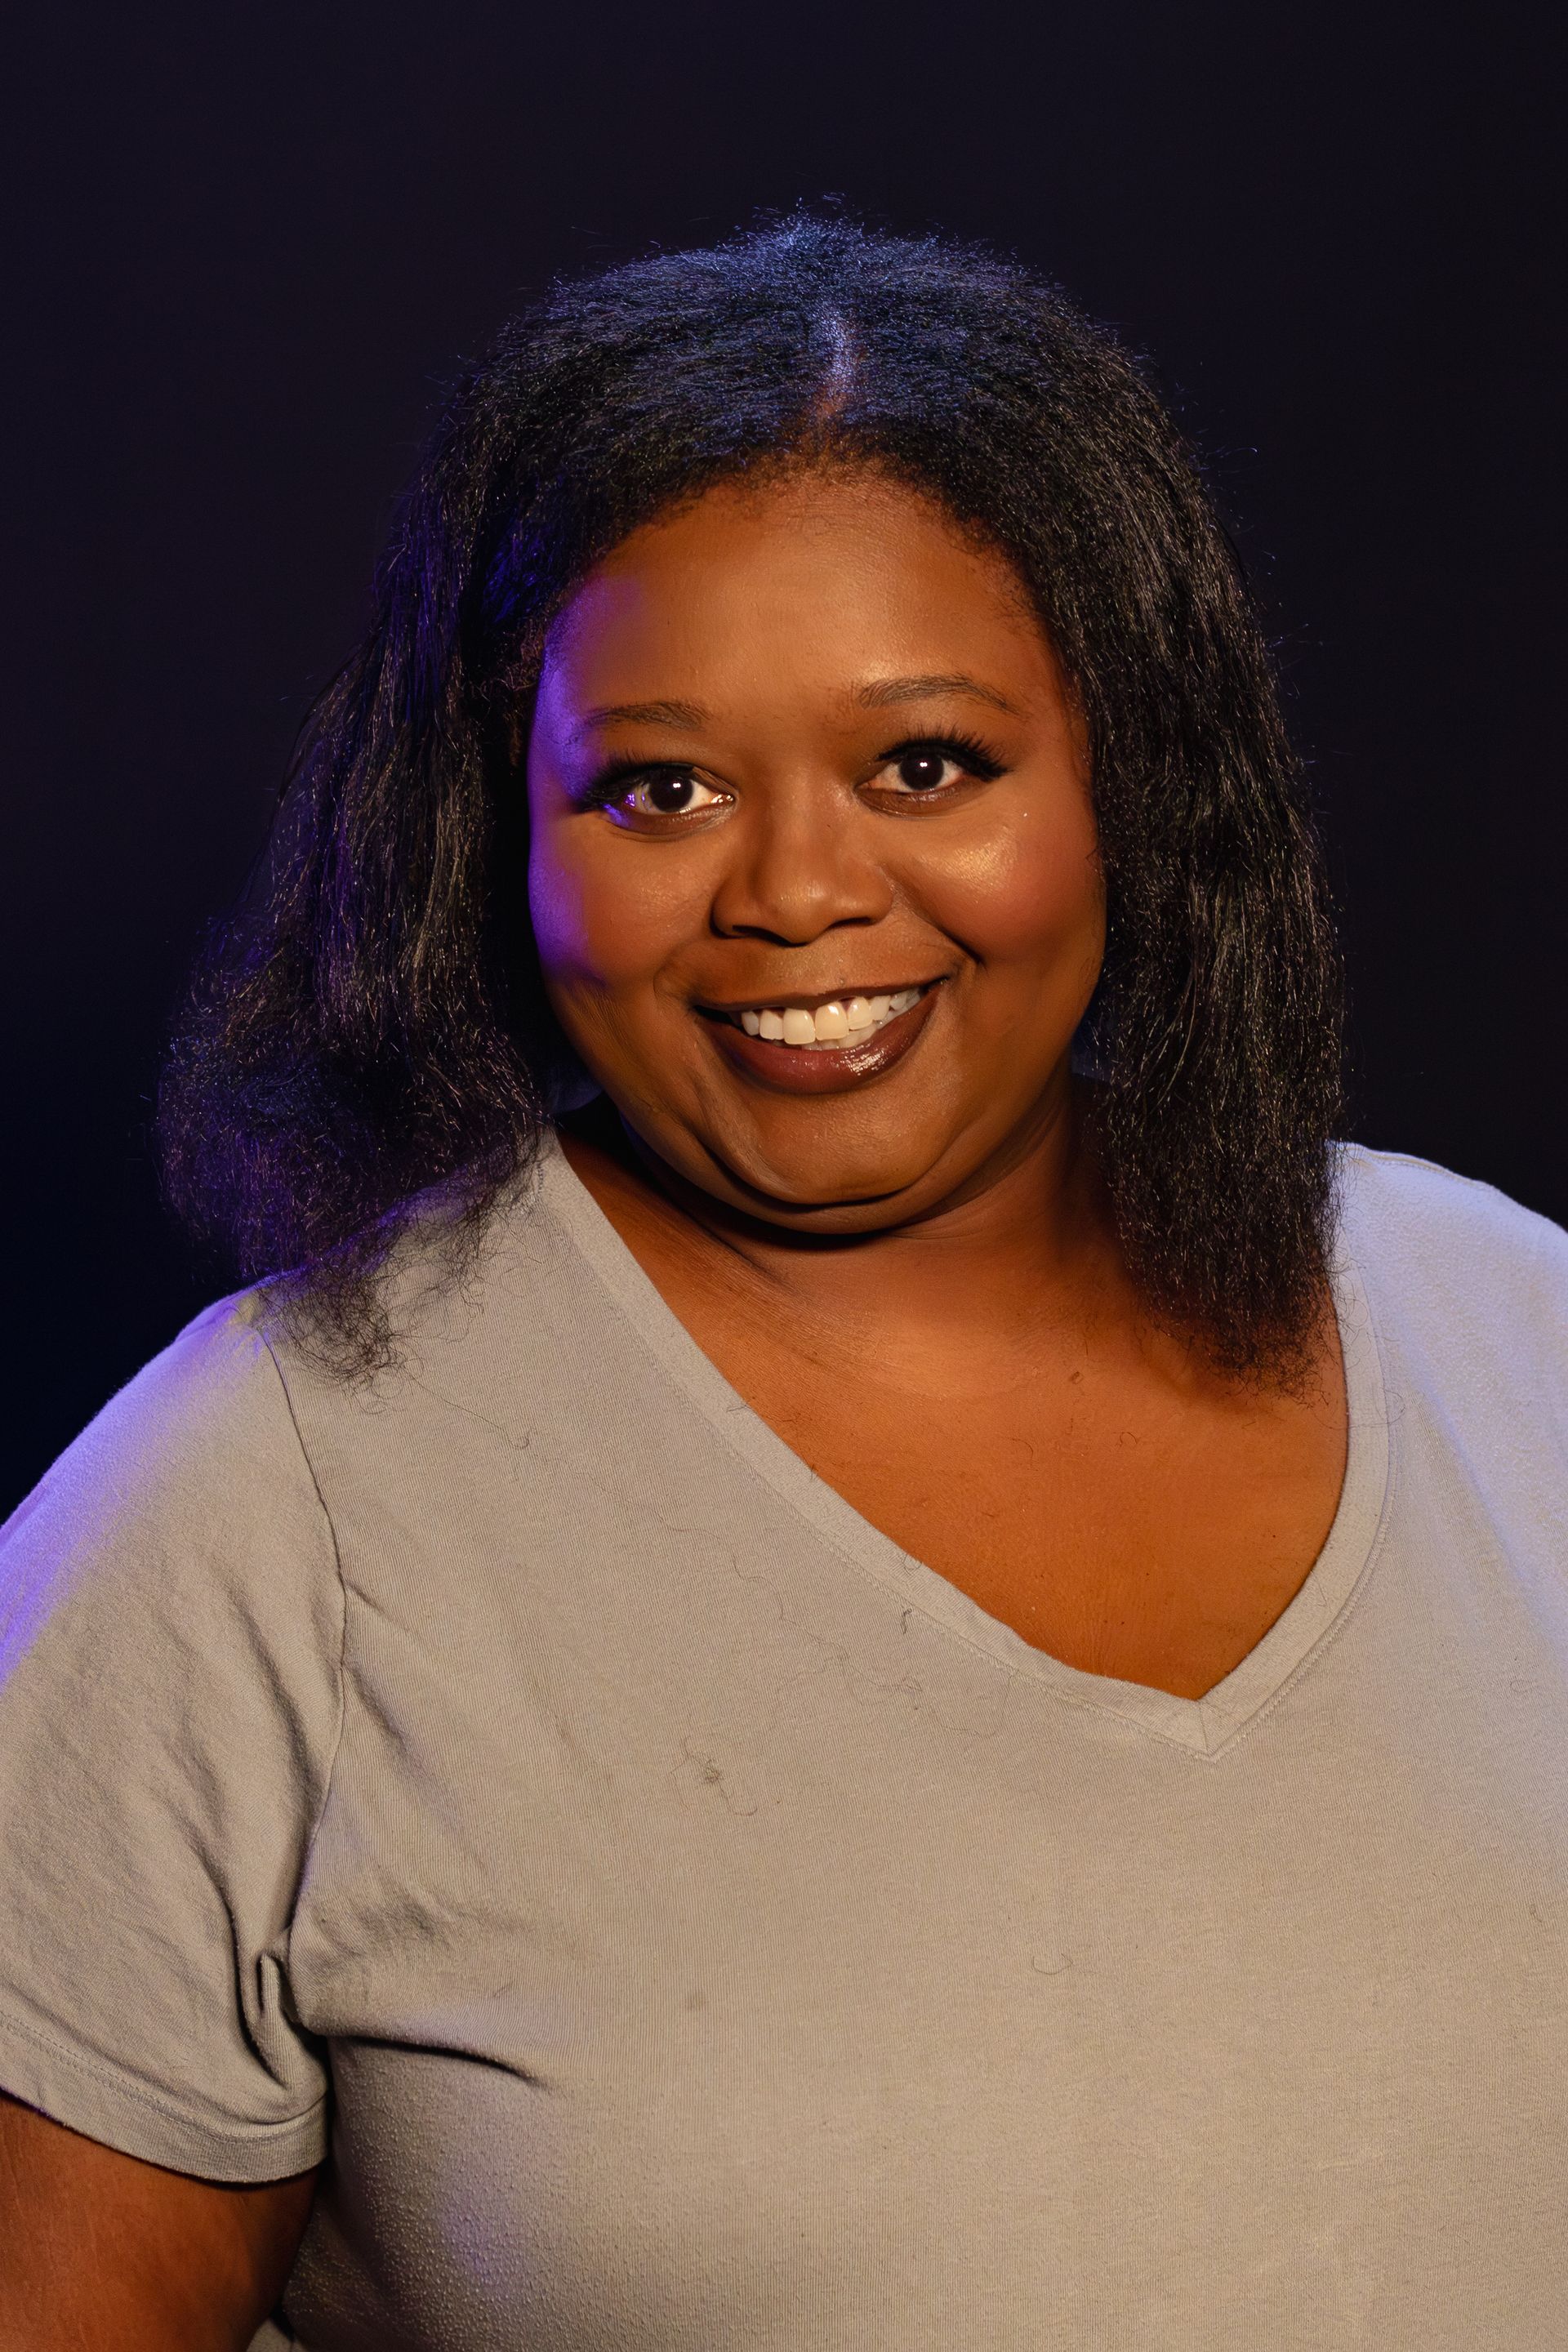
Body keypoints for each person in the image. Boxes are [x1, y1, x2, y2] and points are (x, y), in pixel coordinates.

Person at [1, 212, 1563, 2350]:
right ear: (504, 836)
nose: (803, 891)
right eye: (660, 789)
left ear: (1128, 774)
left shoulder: (1518, 1342)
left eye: (927, 765)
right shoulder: (257, 1517)